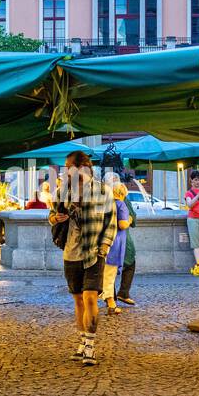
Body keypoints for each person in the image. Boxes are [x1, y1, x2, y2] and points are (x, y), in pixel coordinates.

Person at [50, 151, 116, 366]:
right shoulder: (62, 191)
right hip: (70, 252)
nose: (65, 170)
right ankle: (81, 342)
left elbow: (111, 222)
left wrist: (104, 247)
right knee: (78, 299)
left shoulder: (103, 192)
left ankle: (90, 345)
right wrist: (55, 218)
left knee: (90, 297)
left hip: (93, 252)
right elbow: (51, 216)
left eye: (68, 166)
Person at [101, 183, 133, 315]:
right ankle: (111, 304)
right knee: (110, 275)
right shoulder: (121, 204)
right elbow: (122, 224)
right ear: (122, 193)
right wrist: (129, 220)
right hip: (114, 244)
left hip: (103, 242)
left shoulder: (105, 203)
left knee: (103, 273)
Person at [116, 196, 137, 306]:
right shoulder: (123, 199)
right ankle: (123, 292)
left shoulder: (101, 196)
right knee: (130, 263)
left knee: (108, 268)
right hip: (121, 239)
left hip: (103, 239)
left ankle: (109, 297)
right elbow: (132, 219)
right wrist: (130, 220)